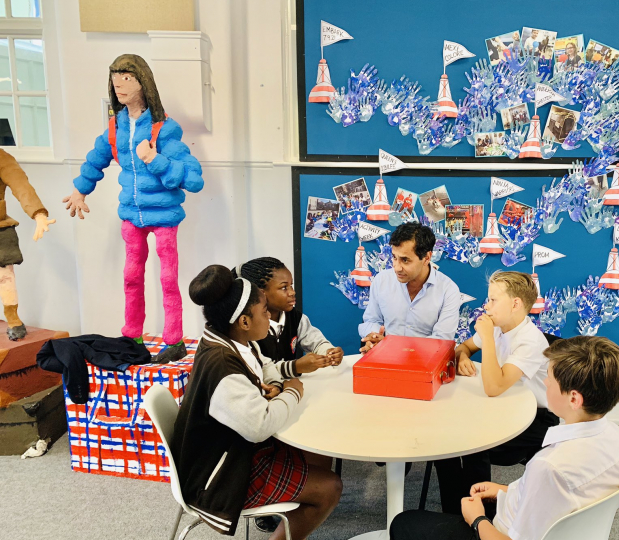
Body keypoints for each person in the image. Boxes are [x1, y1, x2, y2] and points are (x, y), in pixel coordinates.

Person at [390, 336, 619, 540]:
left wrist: (477, 519)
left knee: (404, 522)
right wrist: (506, 491)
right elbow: (561, 497)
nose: (545, 382)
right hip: (543, 521)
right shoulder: (617, 439)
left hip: (498, 531)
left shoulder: (549, 466)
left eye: (550, 379)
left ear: (574, 399)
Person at [172, 265, 342, 539]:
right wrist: (291, 391)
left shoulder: (235, 340)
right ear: (244, 321)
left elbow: (267, 368)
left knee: (321, 454)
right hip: (220, 474)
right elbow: (260, 426)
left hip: (236, 449)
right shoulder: (222, 365)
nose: (269, 316)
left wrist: (276, 386)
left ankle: (294, 512)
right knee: (330, 488)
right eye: (264, 311)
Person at [63, 54, 204, 364]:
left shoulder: (163, 129)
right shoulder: (116, 128)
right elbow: (96, 159)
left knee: (168, 279)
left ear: (143, 82)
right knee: (131, 277)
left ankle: (174, 340)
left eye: (127, 77)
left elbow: (193, 179)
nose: (119, 83)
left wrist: (155, 160)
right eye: (115, 77)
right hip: (131, 215)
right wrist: (79, 191)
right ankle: (132, 336)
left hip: (164, 217)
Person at [434, 271, 558, 515]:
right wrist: (462, 357)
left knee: (474, 444)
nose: (486, 306)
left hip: (535, 419)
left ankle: (480, 515)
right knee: (444, 440)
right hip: (504, 406)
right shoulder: (500, 327)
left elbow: (493, 387)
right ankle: (454, 510)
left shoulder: (529, 341)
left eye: (492, 300)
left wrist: (488, 339)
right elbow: (464, 347)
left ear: (515, 304)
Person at [358, 222, 460, 352]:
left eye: (405, 260)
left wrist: (394, 346)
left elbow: (442, 341)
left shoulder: (448, 290)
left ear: (427, 258)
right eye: (394, 257)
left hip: (426, 360)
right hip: (385, 356)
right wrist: (373, 337)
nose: (397, 267)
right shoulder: (381, 281)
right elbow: (371, 320)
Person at [0, 149, 56, 340]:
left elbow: (21, 186)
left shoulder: (2, 157)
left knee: (5, 277)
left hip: (0, 228)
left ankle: (13, 318)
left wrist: (38, 214)